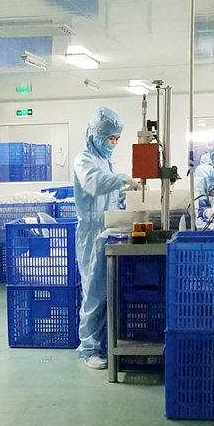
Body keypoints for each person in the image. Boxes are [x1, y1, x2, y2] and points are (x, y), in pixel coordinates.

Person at [74, 106, 142, 369]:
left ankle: (102, 344)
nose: (113, 143)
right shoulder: (84, 159)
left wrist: (130, 195)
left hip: (107, 232)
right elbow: (94, 182)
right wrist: (123, 179)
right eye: (110, 139)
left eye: (116, 139)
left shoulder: (106, 161)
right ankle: (89, 348)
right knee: (93, 293)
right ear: (95, 135)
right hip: (91, 235)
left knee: (105, 293)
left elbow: (112, 197)